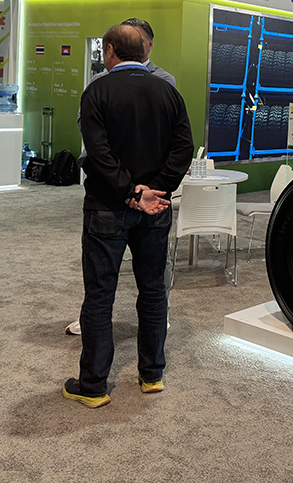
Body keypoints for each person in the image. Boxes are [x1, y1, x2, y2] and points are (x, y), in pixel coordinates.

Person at [62, 25, 193, 408]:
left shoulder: (97, 91)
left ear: (109, 51)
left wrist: (132, 192)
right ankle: (152, 375)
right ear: (144, 51)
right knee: (153, 291)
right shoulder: (168, 92)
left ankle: (93, 386)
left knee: (100, 296)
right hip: (156, 209)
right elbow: (183, 148)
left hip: (107, 207)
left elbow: (98, 153)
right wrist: (156, 190)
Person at [66, 16, 175, 337]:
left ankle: (157, 323)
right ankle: (100, 329)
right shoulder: (99, 83)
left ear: (148, 46)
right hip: (109, 191)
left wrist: (151, 189)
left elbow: (172, 139)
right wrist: (130, 188)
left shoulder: (164, 82)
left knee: (151, 280)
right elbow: (88, 131)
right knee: (101, 281)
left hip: (148, 194)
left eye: (136, 41)